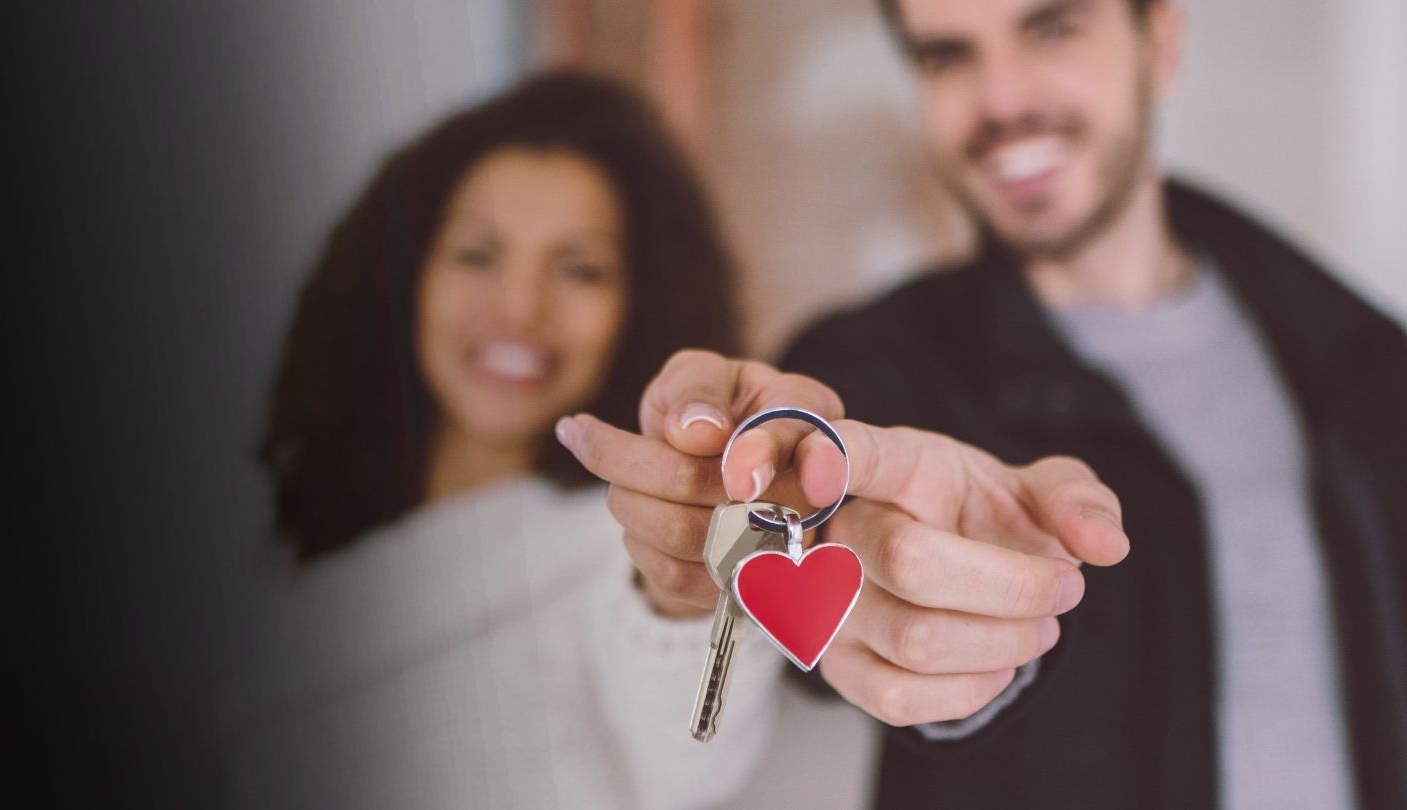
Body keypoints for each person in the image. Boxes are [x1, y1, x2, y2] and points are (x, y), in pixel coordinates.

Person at [566, 1, 1407, 808]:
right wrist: (711, 581)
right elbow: (816, 589)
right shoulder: (867, 373)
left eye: (1050, 29)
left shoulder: (1362, 356)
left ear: (1160, 43)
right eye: (949, 55)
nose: (1001, 101)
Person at [219, 72, 883, 809]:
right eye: (477, 254)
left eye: (579, 270)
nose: (517, 308)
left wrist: (685, 588)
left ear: (643, 301)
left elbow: (690, 758)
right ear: (403, 277)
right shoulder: (271, 538)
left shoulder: (633, 544)